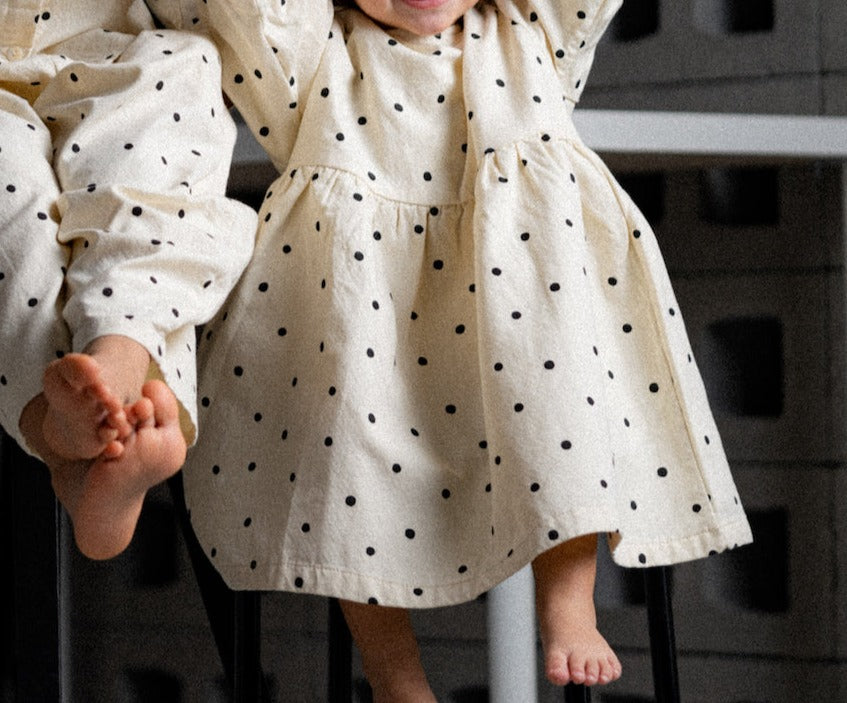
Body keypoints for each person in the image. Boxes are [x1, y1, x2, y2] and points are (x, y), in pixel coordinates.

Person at [185, 0, 754, 698]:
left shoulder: (532, 33)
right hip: (363, 331)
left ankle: (569, 602)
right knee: (343, 469)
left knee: (563, 409)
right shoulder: (311, 54)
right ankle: (394, 671)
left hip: (526, 315)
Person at [0, 0, 256, 560]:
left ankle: (118, 346)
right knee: (11, 207)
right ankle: (64, 440)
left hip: (104, 49)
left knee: (181, 73)